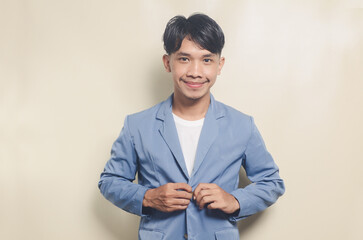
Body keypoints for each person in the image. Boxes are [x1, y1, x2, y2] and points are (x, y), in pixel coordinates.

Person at [98, 13, 285, 240]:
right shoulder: (137, 125)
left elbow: (272, 182)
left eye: (206, 60)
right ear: (168, 63)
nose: (195, 72)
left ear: (219, 65)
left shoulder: (242, 125)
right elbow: (110, 181)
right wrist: (147, 197)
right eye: (184, 59)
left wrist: (235, 200)